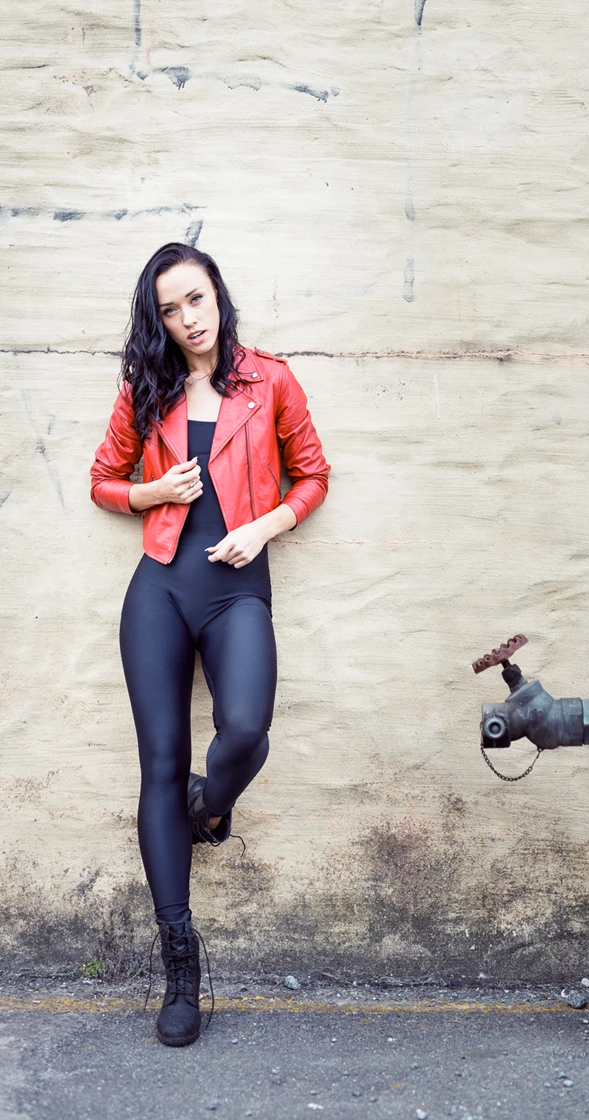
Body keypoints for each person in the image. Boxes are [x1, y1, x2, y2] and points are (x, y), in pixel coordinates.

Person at [89, 242, 330, 1046]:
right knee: (158, 762)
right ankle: (181, 967)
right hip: (158, 588)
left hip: (235, 590)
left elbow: (315, 477)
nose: (187, 320)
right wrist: (152, 491)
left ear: (218, 296)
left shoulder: (270, 379)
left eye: (196, 300)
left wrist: (261, 528)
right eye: (169, 309)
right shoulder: (146, 388)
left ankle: (210, 806)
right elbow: (103, 478)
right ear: (156, 319)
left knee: (246, 733)